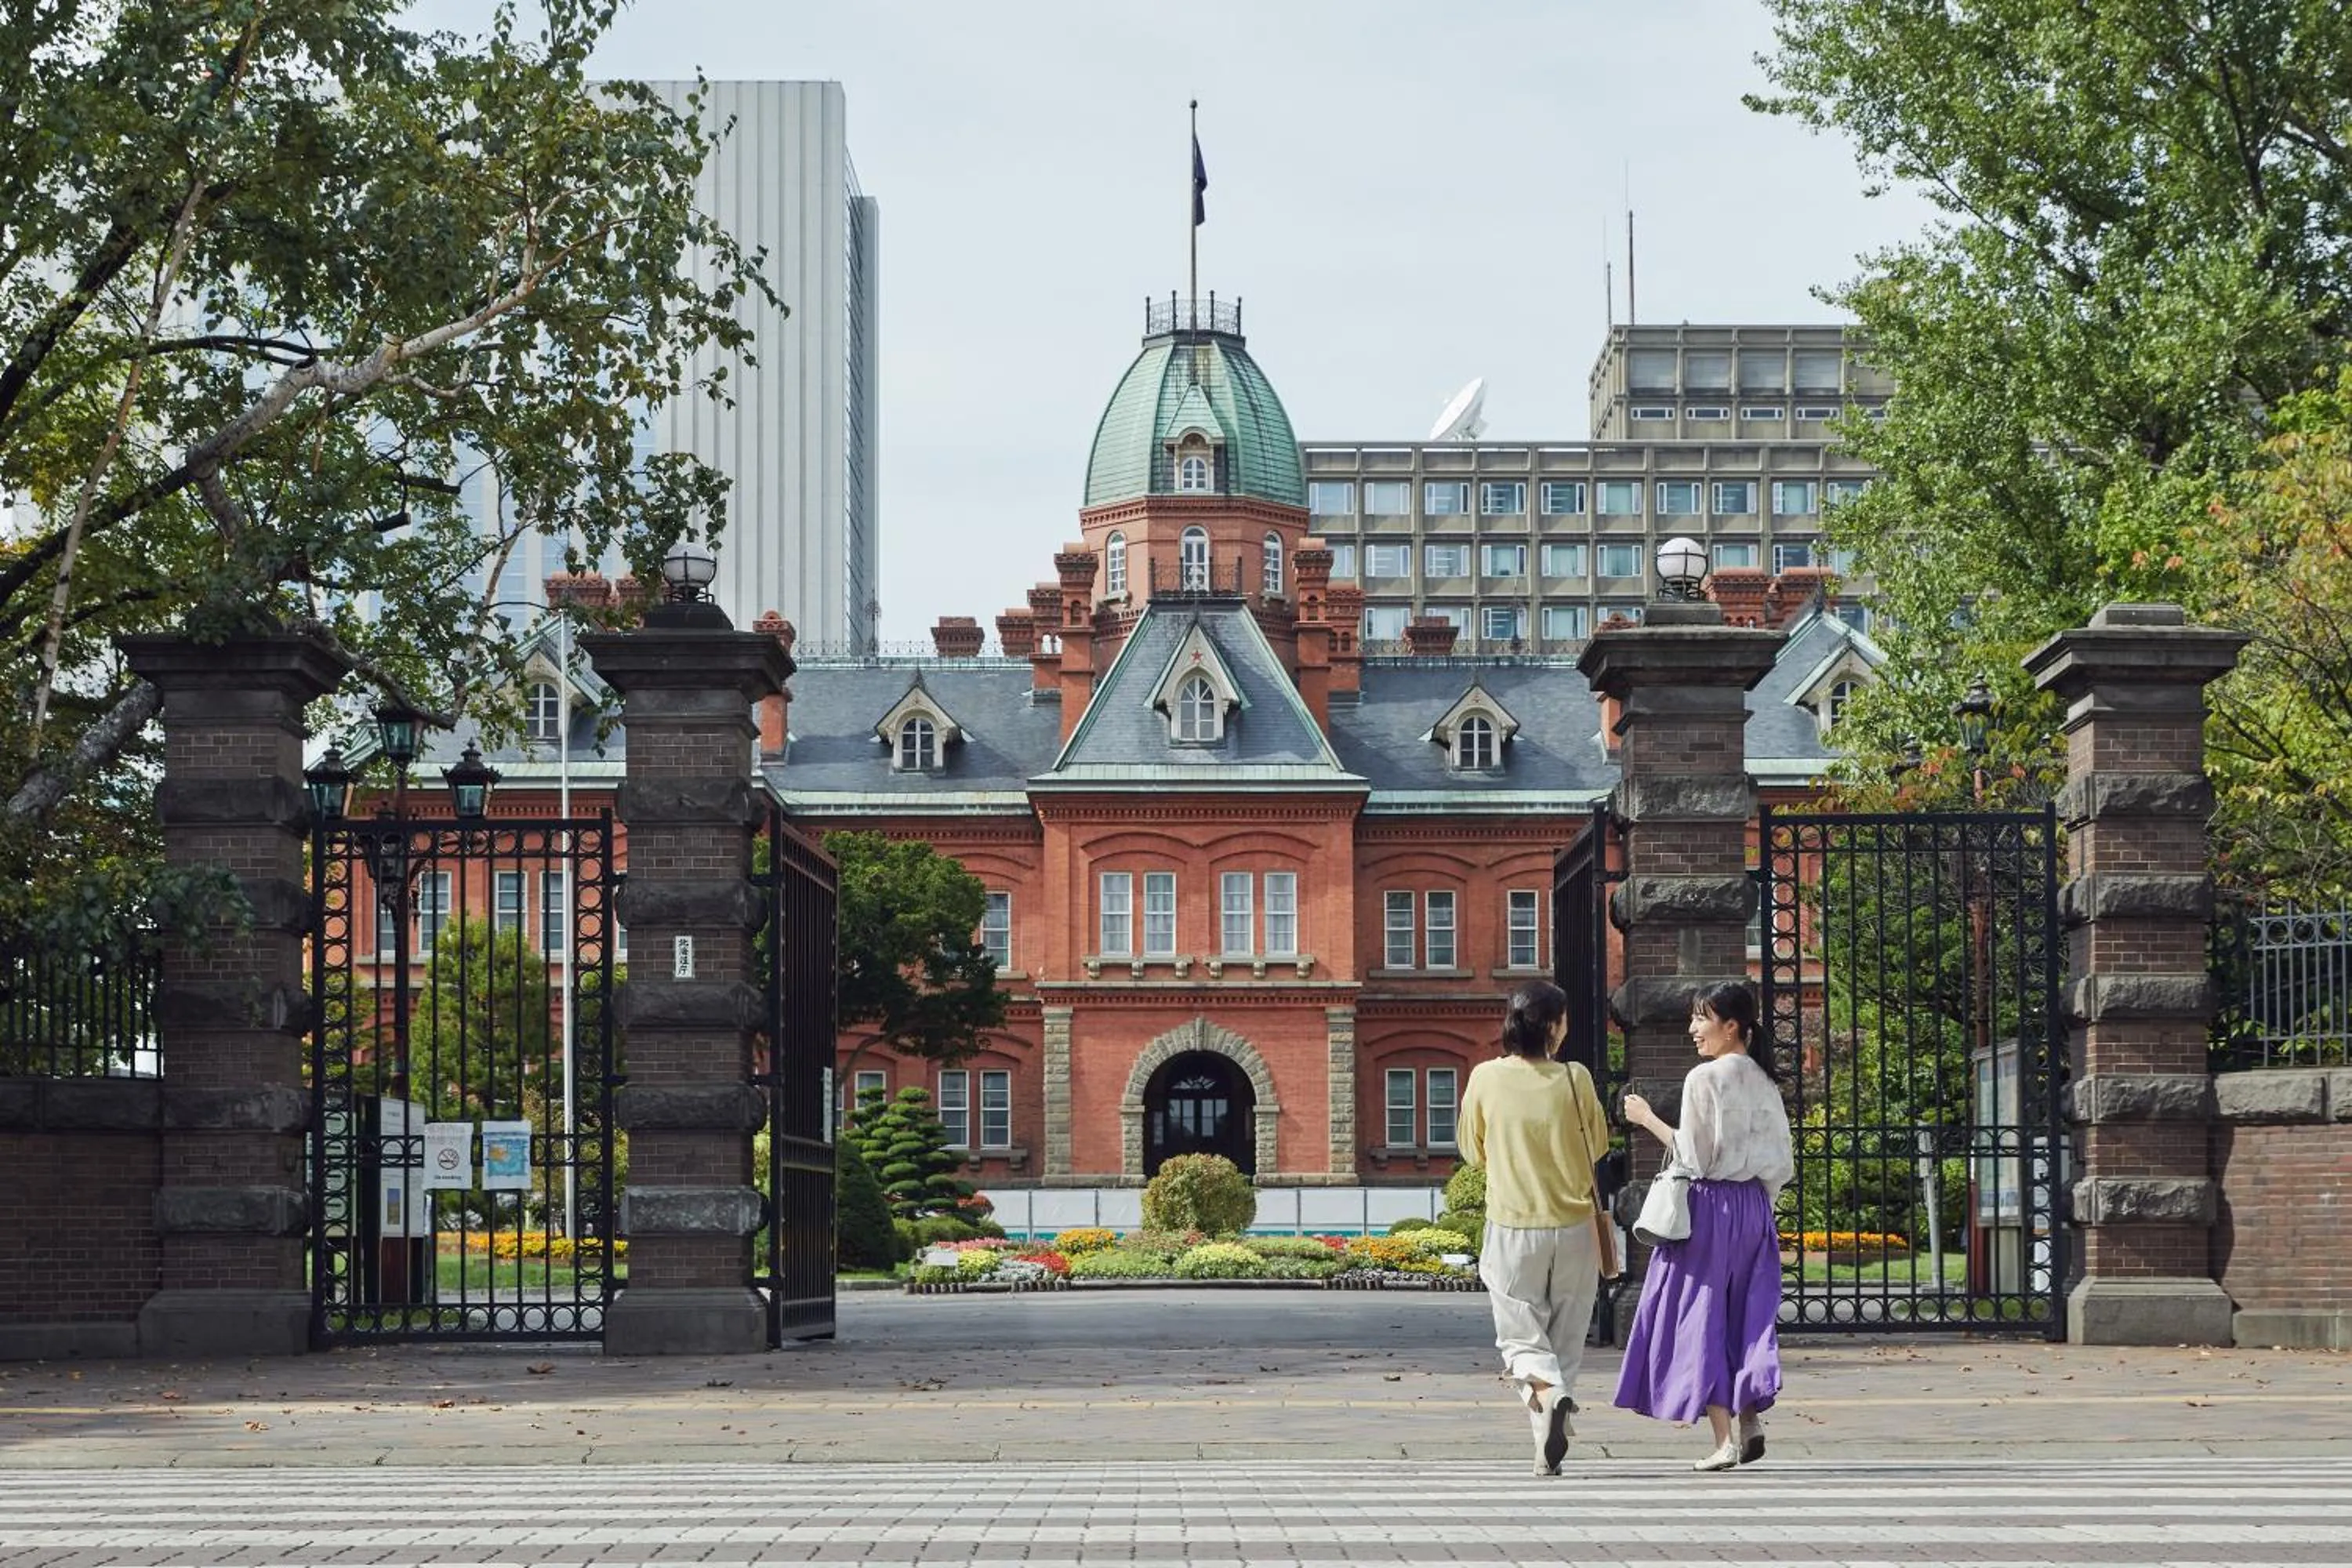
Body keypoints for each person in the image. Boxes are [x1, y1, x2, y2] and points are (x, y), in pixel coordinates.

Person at [1611, 978, 1795, 1471]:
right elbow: (1781, 1162)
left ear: (1730, 1026)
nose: (1692, 1029)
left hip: (1709, 1207)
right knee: (1746, 1315)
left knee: (1701, 1316)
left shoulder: (1704, 1079)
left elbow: (1691, 1155)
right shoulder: (1763, 1080)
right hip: (1754, 1207)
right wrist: (1759, 1204)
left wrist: (1646, 1117)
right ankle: (1751, 1417)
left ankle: (1724, 1441)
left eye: (1701, 1018)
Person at [1457, 978, 1613, 1476]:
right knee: (1565, 1340)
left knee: (1522, 1340)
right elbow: (1598, 1148)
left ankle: (1550, 1400)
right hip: (1574, 1227)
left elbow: (1471, 1151)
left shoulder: (1485, 1077)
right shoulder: (1576, 1078)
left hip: (1513, 1225)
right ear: (1552, 1025)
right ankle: (1548, 1440)